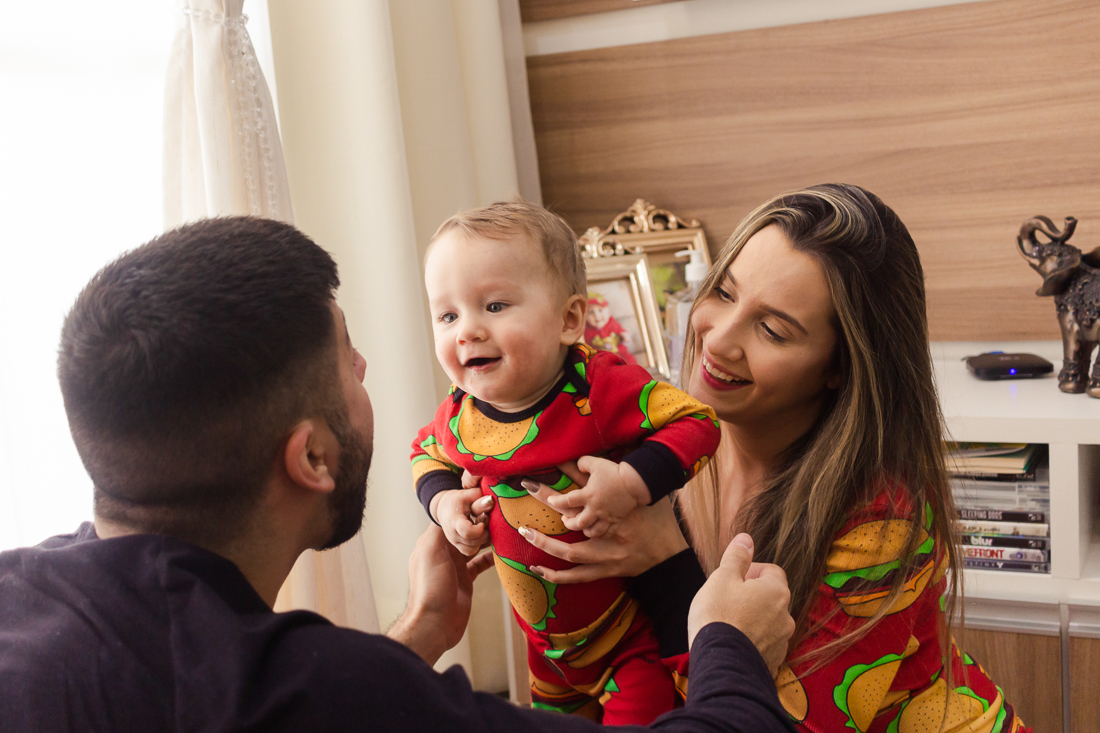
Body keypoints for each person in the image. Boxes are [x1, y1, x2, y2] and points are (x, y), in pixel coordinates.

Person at [0, 216, 796, 732]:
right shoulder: (330, 689)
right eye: (347, 362)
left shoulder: (21, 593)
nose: (366, 365)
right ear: (312, 457)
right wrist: (730, 642)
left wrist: (417, 634)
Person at [518, 184, 1030, 732]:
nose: (719, 340)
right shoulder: (653, 455)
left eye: (772, 330)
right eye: (724, 293)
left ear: (841, 368)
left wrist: (664, 566)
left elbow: (764, 723)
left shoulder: (884, 521)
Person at [411, 201, 721, 724]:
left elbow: (697, 423)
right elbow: (425, 452)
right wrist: (444, 503)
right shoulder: (460, 413)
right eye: (448, 315)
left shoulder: (597, 386)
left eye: (494, 306)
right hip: (548, 659)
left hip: (628, 644)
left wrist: (630, 481)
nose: (466, 331)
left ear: (569, 319)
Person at [584, 292, 637, 364]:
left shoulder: (613, 324)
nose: (596, 316)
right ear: (585, 317)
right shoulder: (586, 331)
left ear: (608, 312)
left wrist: (625, 336)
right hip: (602, 360)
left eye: (600, 310)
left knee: (630, 361)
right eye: (590, 313)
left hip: (620, 354)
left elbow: (623, 333)